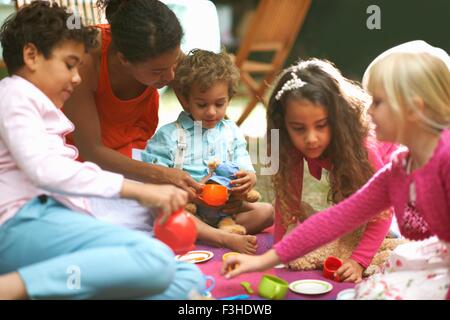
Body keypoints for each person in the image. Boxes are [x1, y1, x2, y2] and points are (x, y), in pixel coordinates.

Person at [0, 1, 205, 299]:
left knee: (185, 278)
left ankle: (50, 289)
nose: (77, 77)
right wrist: (141, 191)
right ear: (31, 55)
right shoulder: (14, 93)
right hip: (19, 224)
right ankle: (12, 288)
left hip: (55, 218)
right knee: (156, 260)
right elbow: (44, 169)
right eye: (70, 65)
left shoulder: (39, 105)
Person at [222, 41, 450, 299]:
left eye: (378, 101)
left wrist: (360, 259)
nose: (368, 109)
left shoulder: (445, 159)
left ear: (413, 108)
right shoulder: (398, 168)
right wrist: (263, 261)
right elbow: (336, 219)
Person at [267, 58, 397, 282]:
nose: (310, 138)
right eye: (298, 128)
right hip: (365, 187)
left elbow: (382, 209)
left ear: (338, 118)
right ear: (283, 124)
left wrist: (358, 261)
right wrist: (278, 254)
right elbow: (288, 198)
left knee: (399, 233)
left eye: (321, 125)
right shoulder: (288, 142)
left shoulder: (364, 146)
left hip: (403, 190)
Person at [63, 0, 203, 199]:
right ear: (124, 59)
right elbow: (91, 151)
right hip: (83, 163)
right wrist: (161, 174)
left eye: (174, 64)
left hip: (138, 157)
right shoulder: (84, 62)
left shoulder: (163, 52)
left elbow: (204, 117)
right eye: (158, 71)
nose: (171, 77)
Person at [142, 49, 274, 254]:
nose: (211, 112)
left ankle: (213, 231)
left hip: (225, 209)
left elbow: (244, 166)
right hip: (187, 208)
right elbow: (155, 180)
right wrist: (190, 193)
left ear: (229, 98)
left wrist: (248, 180)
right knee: (164, 213)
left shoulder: (231, 132)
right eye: (202, 104)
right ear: (186, 100)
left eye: (219, 104)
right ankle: (222, 237)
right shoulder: (169, 135)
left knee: (267, 212)